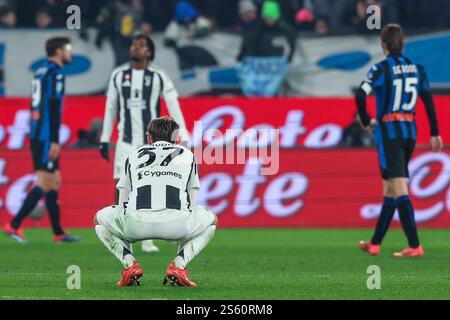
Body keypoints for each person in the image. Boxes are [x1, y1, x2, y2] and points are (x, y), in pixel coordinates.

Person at [94, 117, 217, 287]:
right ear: (176, 138)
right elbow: (192, 200)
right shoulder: (188, 155)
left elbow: (123, 200)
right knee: (212, 220)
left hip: (135, 225)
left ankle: (129, 264)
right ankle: (179, 265)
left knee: (98, 221)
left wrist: (124, 220)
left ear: (149, 138)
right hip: (177, 225)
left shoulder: (134, 155)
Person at [356, 24, 443, 257]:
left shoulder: (380, 69)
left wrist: (365, 119)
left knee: (398, 187)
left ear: (383, 45)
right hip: (410, 134)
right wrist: (435, 132)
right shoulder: (418, 69)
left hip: (389, 135)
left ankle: (414, 245)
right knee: (390, 189)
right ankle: (375, 243)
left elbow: (361, 92)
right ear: (403, 44)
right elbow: (428, 100)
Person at [99, 34, 190, 254]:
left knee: (151, 187)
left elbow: (172, 102)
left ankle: (148, 238)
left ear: (149, 52)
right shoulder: (118, 75)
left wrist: (183, 132)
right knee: (121, 186)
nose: (135, 48)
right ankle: (121, 234)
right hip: (126, 140)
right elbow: (111, 107)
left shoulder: (158, 76)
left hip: (152, 145)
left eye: (141, 46)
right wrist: (104, 137)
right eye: (133, 45)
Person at [3, 37, 80, 243]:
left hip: (38, 132)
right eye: (68, 49)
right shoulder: (56, 74)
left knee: (55, 181)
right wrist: (55, 141)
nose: (70, 53)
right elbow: (54, 107)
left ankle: (57, 232)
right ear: (58, 51)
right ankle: (14, 225)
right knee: (46, 183)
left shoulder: (40, 71)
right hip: (46, 136)